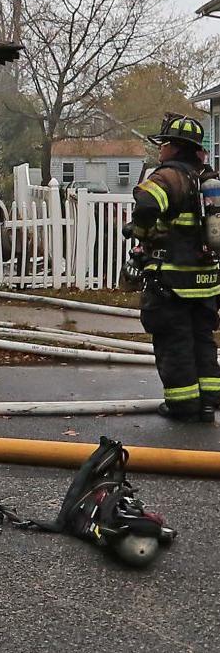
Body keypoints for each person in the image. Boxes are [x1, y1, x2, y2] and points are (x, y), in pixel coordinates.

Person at [127, 112, 220, 422]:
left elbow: (147, 205)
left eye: (163, 144)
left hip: (173, 280)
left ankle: (182, 405)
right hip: (207, 282)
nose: (160, 150)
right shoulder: (209, 180)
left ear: (175, 147)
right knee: (202, 339)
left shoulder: (169, 177)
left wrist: (140, 233)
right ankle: (208, 402)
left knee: (174, 339)